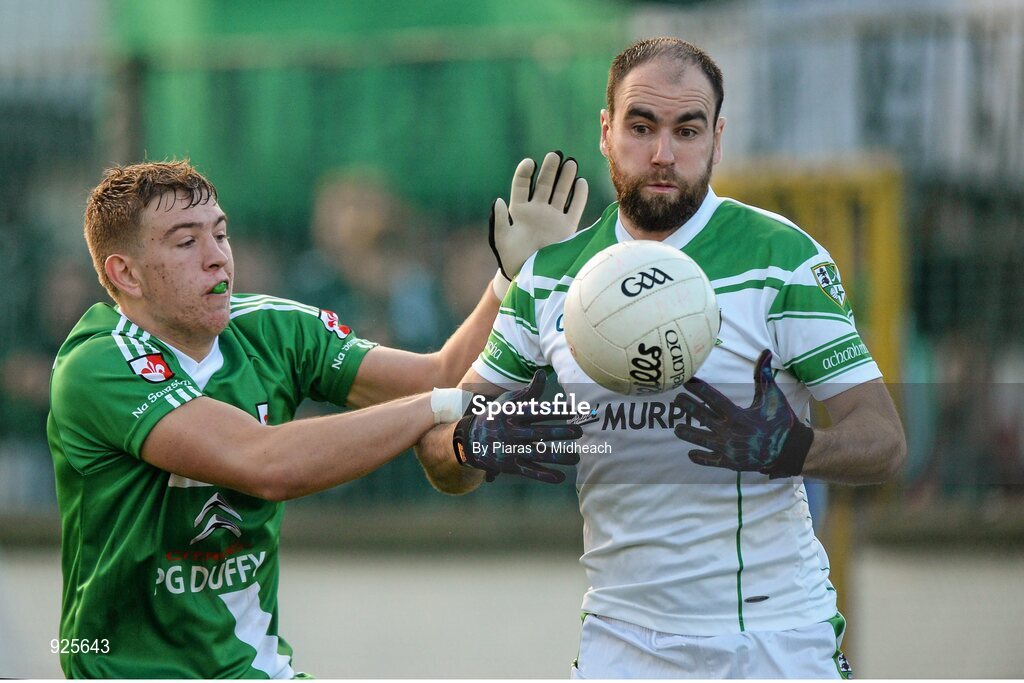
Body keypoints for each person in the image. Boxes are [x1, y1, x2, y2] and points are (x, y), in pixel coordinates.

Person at [415, 38, 907, 678]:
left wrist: (791, 448)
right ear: (605, 130)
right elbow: (438, 450)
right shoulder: (546, 279)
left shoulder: (781, 259)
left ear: (718, 138)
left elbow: (885, 442)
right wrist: (470, 444)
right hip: (622, 642)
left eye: (687, 130)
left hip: (775, 637)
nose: (663, 154)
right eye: (641, 127)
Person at [47, 156, 586, 678]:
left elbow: (441, 374)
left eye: (221, 234)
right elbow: (265, 462)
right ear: (126, 274)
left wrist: (513, 278)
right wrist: (440, 406)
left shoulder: (274, 329)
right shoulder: (97, 363)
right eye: (187, 242)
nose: (217, 257)